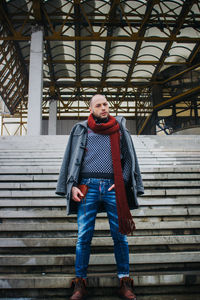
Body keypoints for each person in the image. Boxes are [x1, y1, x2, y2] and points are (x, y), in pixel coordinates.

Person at [55, 94, 144, 300]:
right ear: (91, 109)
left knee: (120, 235)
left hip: (113, 187)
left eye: (105, 104)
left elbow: (129, 158)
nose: (103, 108)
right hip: (88, 188)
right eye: (98, 105)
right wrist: (72, 186)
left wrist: (122, 180)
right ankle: (80, 283)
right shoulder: (81, 129)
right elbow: (70, 159)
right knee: (84, 236)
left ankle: (124, 281)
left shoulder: (120, 128)